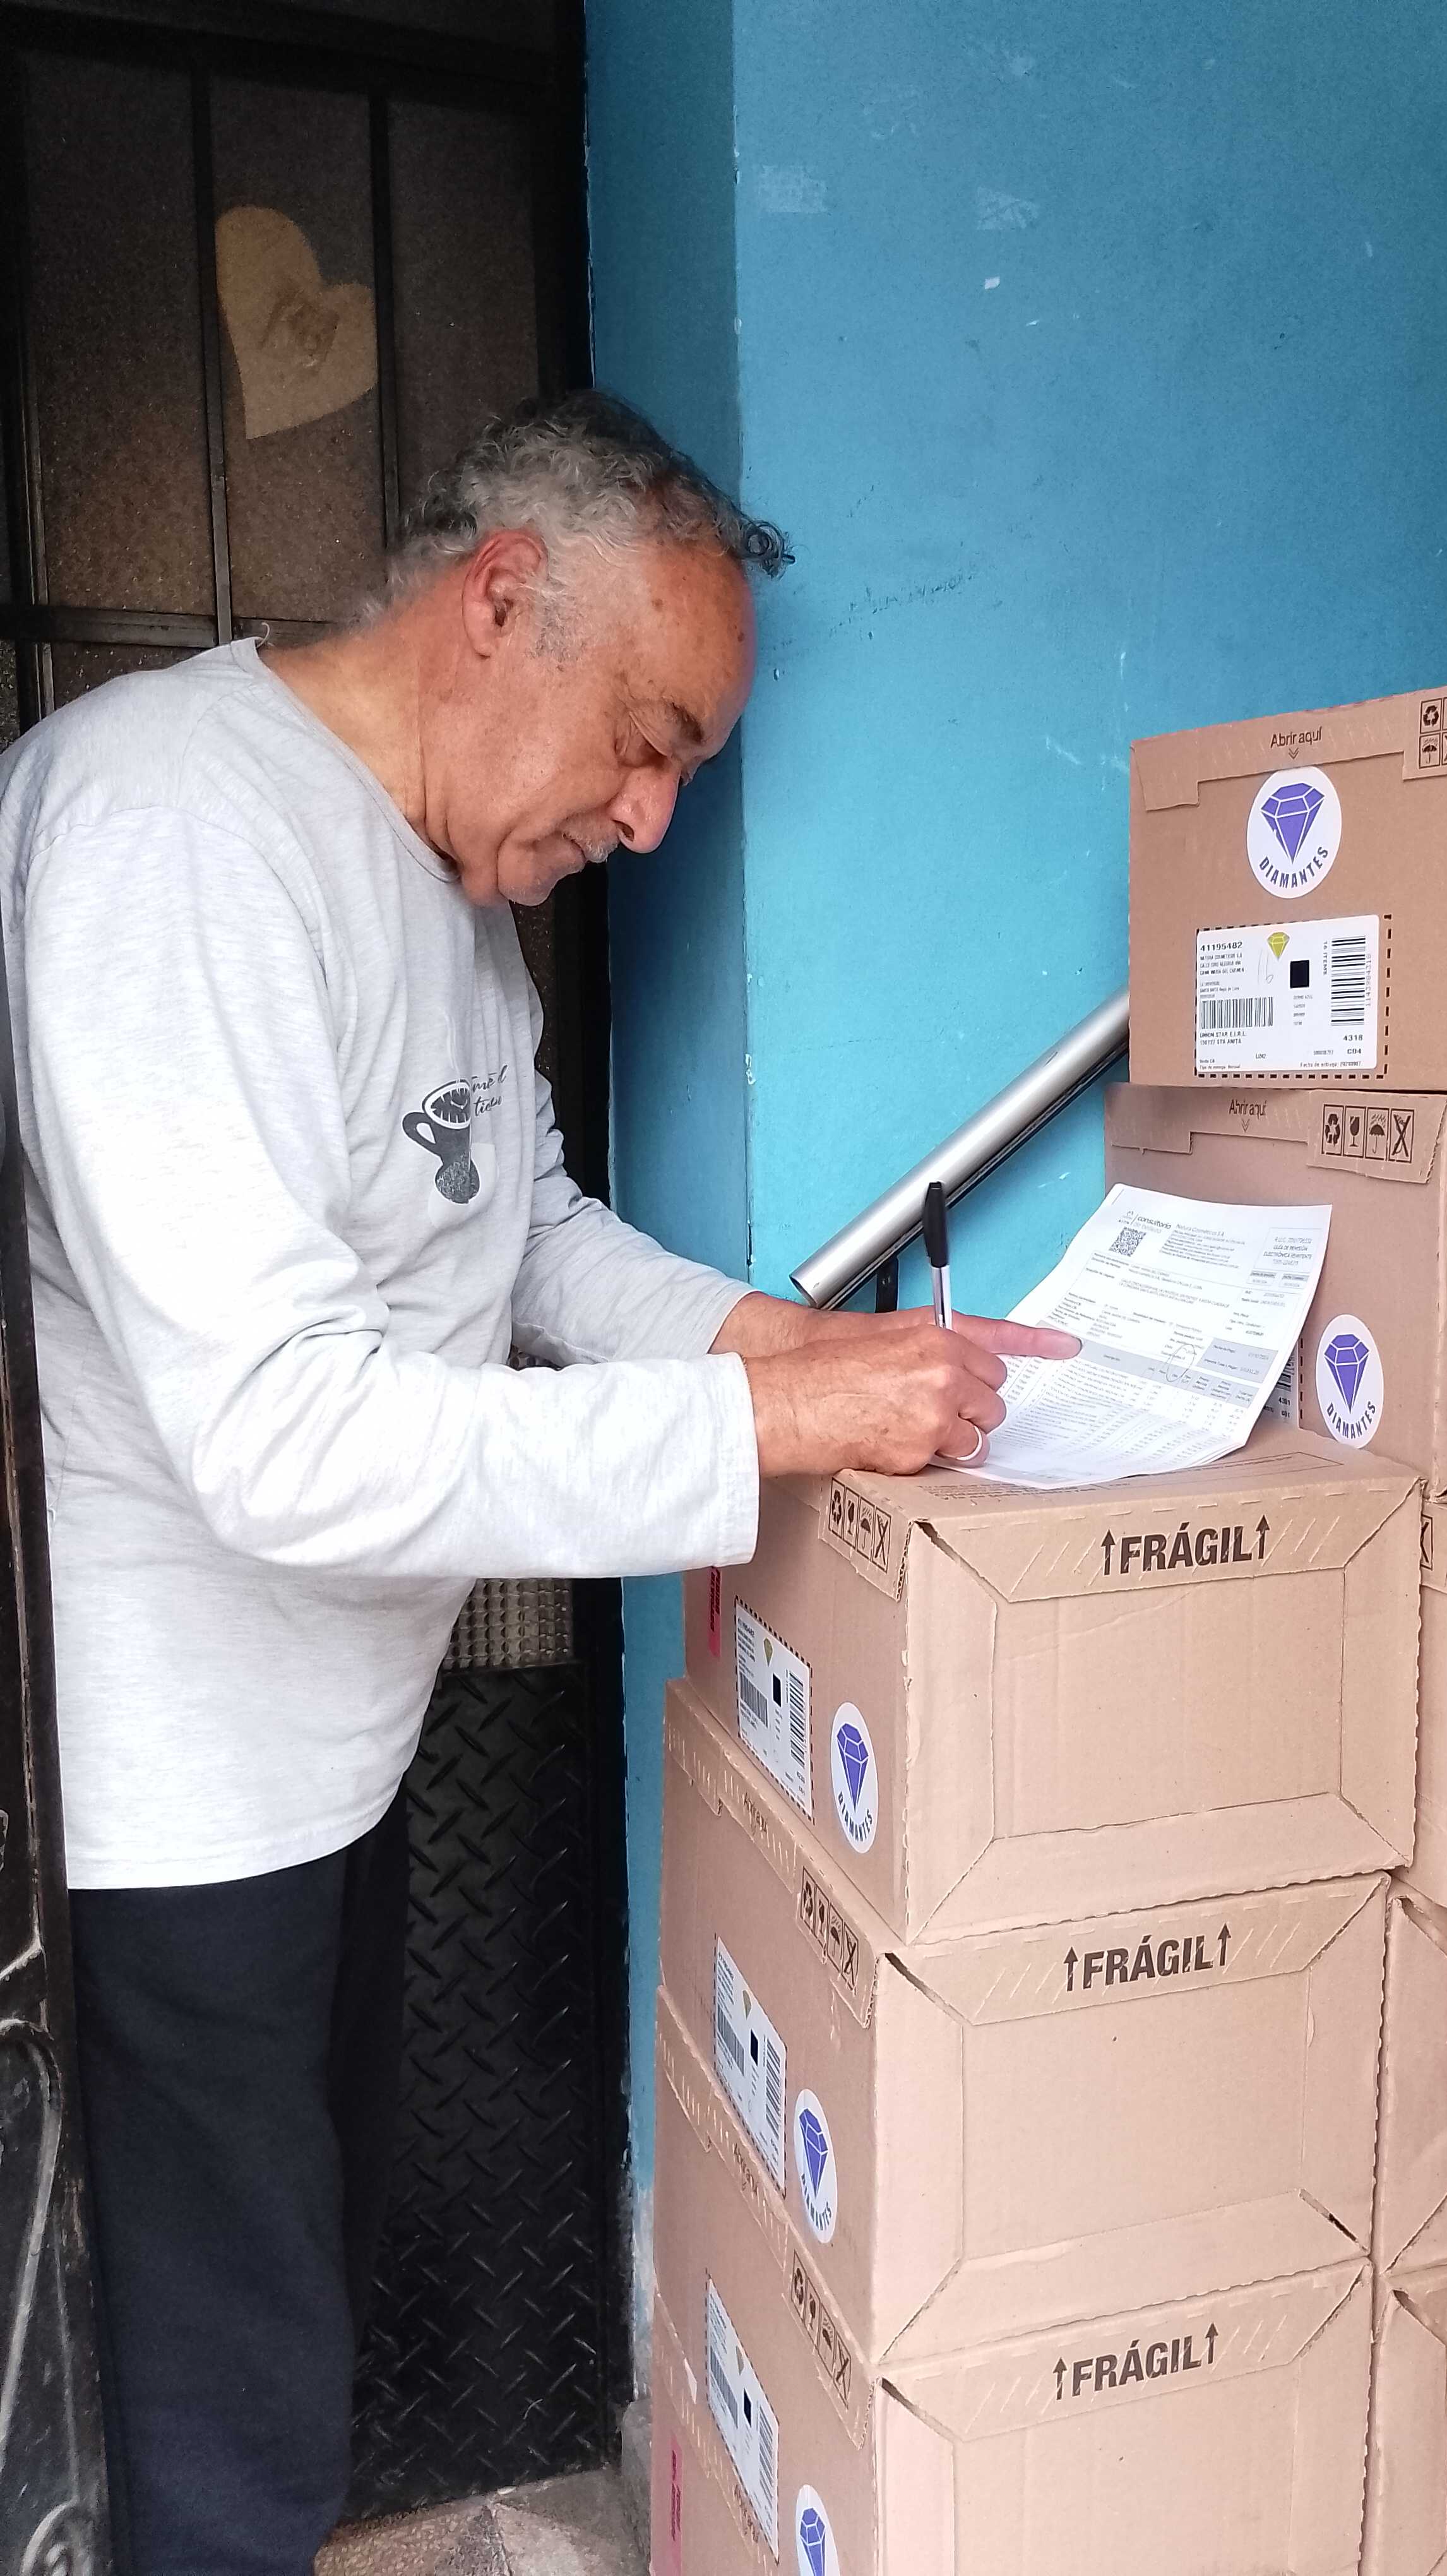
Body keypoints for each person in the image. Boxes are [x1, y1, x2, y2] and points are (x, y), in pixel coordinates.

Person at [0, 390, 1075, 2573]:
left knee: (281, 2337)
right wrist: (768, 1430)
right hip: (165, 1806)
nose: (653, 819)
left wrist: (789, 1344)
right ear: (503, 600)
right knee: (215, 2422)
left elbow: (529, 1230)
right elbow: (285, 1433)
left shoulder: (442, 880)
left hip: (332, 1752)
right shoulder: (171, 830)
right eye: (647, 741)